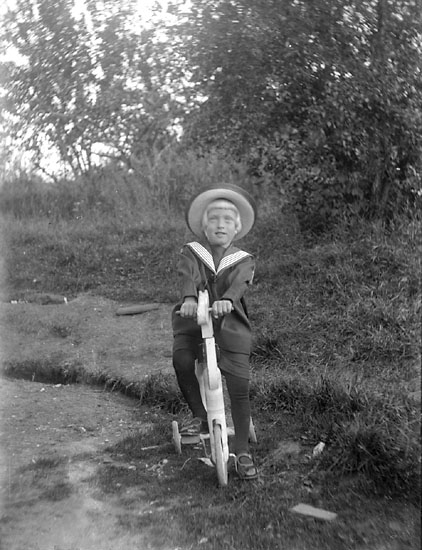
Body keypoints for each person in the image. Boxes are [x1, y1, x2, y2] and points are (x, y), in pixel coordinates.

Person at [171, 183, 258, 480]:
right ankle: (200, 415)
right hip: (194, 318)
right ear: (204, 226)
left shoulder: (243, 260)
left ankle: (242, 449)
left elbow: (240, 283)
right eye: (214, 219)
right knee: (182, 359)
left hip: (229, 322)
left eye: (227, 220)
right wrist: (189, 298)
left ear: (236, 227)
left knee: (239, 383)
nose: (220, 225)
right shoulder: (192, 252)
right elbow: (188, 276)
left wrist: (227, 300)